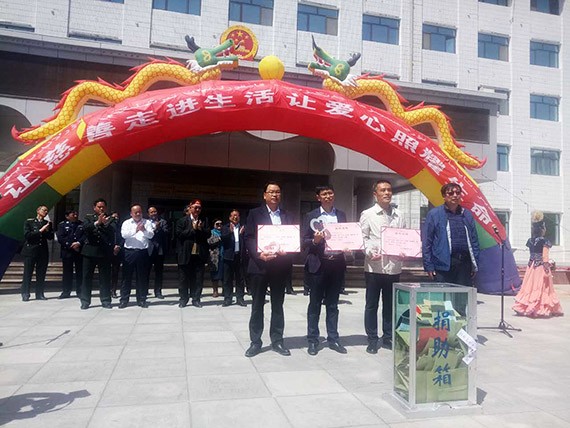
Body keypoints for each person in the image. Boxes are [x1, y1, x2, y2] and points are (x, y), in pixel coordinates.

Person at [244, 181, 293, 358]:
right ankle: (255, 342)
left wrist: (289, 249)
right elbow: (249, 238)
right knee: (257, 305)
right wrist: (259, 254)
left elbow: (292, 238)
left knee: (277, 305)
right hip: (260, 266)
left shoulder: (287, 215)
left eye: (277, 192)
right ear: (264, 195)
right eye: (271, 192)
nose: (274, 195)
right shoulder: (254, 213)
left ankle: (277, 341)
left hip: (280, 267)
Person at [360, 180, 406, 354]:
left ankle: (388, 337)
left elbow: (404, 237)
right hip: (374, 267)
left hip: (393, 267)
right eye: (383, 190)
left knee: (390, 305)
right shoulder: (368, 214)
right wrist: (369, 252)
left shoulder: (399, 215)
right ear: (375, 194)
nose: (387, 193)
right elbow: (362, 237)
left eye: (389, 190)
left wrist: (405, 250)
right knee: (372, 305)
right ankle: (372, 339)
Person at [302, 185, 348, 356]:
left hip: (336, 265)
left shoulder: (341, 215)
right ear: (318, 197)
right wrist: (314, 241)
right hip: (318, 265)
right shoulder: (311, 216)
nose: (328, 196)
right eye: (324, 194)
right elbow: (303, 241)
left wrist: (348, 246)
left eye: (330, 193)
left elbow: (347, 236)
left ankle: (333, 338)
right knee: (314, 304)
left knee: (333, 304)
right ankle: (313, 340)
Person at [422, 182, 479, 286]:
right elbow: (427, 242)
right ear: (444, 196)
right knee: (444, 295)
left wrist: (475, 263)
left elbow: (474, 240)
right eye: (451, 193)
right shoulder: (434, 214)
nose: (455, 195)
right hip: (443, 264)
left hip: (464, 264)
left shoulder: (467, 214)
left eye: (458, 193)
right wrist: (428, 265)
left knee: (462, 294)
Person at [512, 212, 563, 317]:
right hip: (540, 267)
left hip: (531, 267)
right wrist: (548, 267)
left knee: (529, 287)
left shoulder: (530, 240)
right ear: (542, 229)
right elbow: (545, 257)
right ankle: (539, 309)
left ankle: (524, 306)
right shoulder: (545, 241)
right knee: (541, 287)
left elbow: (532, 254)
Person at [80, 198, 120, 310]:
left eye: (103, 207)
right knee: (86, 277)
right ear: (94, 208)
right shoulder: (89, 217)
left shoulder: (111, 219)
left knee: (105, 277)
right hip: (90, 251)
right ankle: (85, 301)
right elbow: (85, 228)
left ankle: (106, 300)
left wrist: (104, 223)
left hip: (104, 252)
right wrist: (97, 223)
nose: (101, 208)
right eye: (99, 207)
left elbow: (112, 230)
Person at [176, 199, 210, 308]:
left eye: (199, 208)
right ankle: (183, 299)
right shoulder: (182, 221)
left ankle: (196, 299)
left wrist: (200, 229)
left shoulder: (204, 220)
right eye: (195, 207)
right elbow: (179, 235)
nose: (197, 210)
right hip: (185, 254)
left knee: (198, 279)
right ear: (190, 208)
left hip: (199, 254)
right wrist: (193, 230)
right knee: (183, 279)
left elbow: (208, 234)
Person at [119, 204, 154, 308]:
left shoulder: (147, 222)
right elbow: (124, 235)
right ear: (131, 213)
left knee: (142, 277)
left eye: (139, 212)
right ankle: (124, 300)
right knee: (126, 277)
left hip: (142, 252)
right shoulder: (126, 223)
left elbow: (151, 235)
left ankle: (142, 299)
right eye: (136, 212)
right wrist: (136, 230)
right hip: (129, 252)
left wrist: (144, 230)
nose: (138, 214)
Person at [21, 205, 53, 301]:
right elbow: (27, 235)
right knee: (28, 273)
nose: (45, 212)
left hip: (42, 251)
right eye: (44, 210)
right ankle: (25, 293)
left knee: (41, 273)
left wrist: (47, 231)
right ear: (38, 211)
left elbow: (50, 237)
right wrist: (40, 231)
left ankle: (39, 294)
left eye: (47, 211)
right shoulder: (29, 222)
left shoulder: (47, 223)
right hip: (31, 250)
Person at [220, 209, 246, 307]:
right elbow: (223, 239)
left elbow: (247, 240)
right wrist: (230, 232)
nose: (235, 217)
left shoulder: (243, 227)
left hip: (239, 256)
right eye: (233, 215)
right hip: (229, 257)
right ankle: (228, 299)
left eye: (237, 215)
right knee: (228, 279)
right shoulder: (225, 227)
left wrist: (242, 234)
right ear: (230, 217)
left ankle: (240, 298)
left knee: (240, 278)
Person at [56, 210, 83, 299]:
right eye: (73, 214)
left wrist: (78, 243)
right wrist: (71, 245)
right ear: (67, 216)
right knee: (67, 273)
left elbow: (84, 235)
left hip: (79, 251)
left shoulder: (81, 224)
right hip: (67, 251)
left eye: (76, 214)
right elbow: (60, 237)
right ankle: (66, 291)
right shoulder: (62, 225)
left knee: (80, 272)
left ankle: (80, 291)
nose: (75, 216)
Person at [148, 206, 169, 299]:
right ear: (148, 214)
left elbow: (166, 233)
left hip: (159, 250)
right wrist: (154, 229)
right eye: (151, 212)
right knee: (146, 271)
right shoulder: (146, 222)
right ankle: (144, 291)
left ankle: (158, 291)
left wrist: (158, 228)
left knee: (159, 273)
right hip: (148, 250)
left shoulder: (163, 222)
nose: (154, 213)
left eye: (155, 211)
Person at [208, 219, 224, 299]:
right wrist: (219, 238)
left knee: (224, 274)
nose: (219, 225)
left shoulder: (225, 232)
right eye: (217, 224)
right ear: (214, 225)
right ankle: (215, 290)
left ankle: (225, 290)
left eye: (221, 224)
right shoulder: (211, 232)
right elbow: (209, 241)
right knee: (214, 274)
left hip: (223, 255)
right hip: (214, 256)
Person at [110, 212, 123, 299]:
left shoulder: (121, 226)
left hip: (118, 251)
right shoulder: (107, 226)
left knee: (115, 272)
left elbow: (123, 237)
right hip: (108, 251)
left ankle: (113, 290)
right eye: (114, 217)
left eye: (117, 217)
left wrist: (118, 246)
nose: (116, 219)